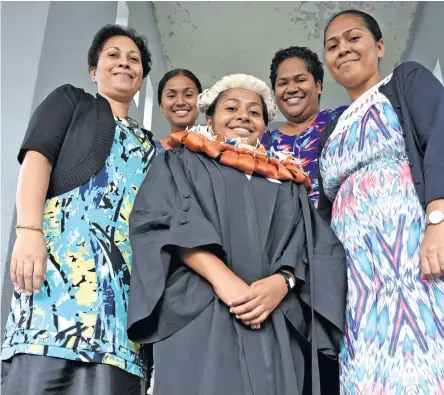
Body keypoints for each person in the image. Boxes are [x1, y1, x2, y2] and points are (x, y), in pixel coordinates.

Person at [127, 73, 347, 395]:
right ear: (209, 118)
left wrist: (282, 282)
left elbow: (312, 246)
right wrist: (222, 280)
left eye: (254, 112)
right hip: (197, 310)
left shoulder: (286, 182)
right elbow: (163, 221)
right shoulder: (181, 160)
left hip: (271, 318)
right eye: (231, 108)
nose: (243, 116)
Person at [1, 24, 156, 395]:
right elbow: (37, 159)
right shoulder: (71, 101)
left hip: (120, 311)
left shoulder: (154, 148)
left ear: (142, 77)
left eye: (133, 59)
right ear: (94, 70)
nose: (124, 63)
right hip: (52, 290)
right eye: (113, 56)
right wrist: (28, 232)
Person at [318, 9, 444, 394]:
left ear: (379, 45)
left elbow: (441, 137)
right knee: (366, 369)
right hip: (358, 280)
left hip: (414, 259)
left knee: (426, 353)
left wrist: (438, 221)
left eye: (353, 38)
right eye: (332, 46)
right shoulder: (332, 128)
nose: (343, 50)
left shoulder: (404, 81)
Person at [262, 46, 347, 206]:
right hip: (287, 229)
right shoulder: (264, 143)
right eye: (283, 83)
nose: (292, 89)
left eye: (300, 80)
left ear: (318, 86)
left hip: (337, 225)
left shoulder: (343, 120)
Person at [155, 68, 202, 153]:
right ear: (161, 106)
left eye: (188, 95)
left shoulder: (219, 147)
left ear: (200, 102)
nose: (180, 102)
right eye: (171, 96)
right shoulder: (148, 152)